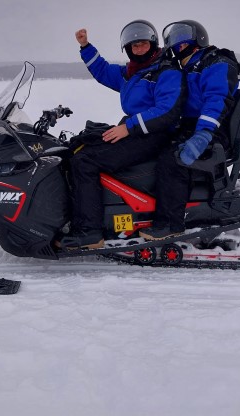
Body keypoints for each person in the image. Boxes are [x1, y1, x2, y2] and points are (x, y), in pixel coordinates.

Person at [59, 20, 185, 249]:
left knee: (84, 161)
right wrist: (86, 46)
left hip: (155, 135)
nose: (139, 49)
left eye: (143, 44)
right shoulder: (132, 73)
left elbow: (167, 111)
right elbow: (103, 72)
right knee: (77, 149)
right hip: (136, 131)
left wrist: (128, 128)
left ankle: (90, 232)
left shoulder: (165, 71)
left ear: (153, 44)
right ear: (128, 49)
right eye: (134, 46)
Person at [140, 19, 240, 241]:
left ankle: (171, 224)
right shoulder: (186, 67)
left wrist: (203, 135)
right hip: (190, 127)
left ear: (198, 39)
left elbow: (217, 100)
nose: (177, 47)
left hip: (212, 131)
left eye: (182, 42)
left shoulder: (216, 63)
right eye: (174, 43)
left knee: (172, 159)